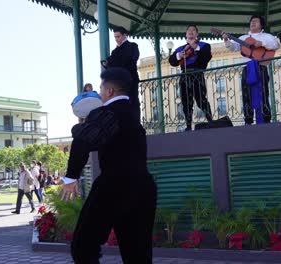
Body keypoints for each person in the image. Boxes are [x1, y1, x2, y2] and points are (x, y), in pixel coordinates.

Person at [62, 67, 157, 263]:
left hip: (114, 186)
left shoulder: (108, 113)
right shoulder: (132, 114)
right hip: (144, 187)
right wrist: (84, 125)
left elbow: (82, 141)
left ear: (109, 91)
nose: (100, 92)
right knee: (138, 254)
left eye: (100, 88)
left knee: (83, 245)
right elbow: (102, 137)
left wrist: (71, 177)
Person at [223, 15, 279, 125]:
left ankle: (265, 119)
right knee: (246, 94)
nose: (252, 23)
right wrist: (226, 40)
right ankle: (248, 119)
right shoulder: (244, 38)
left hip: (261, 67)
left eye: (256, 21)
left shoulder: (267, 36)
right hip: (247, 68)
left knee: (263, 92)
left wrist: (261, 43)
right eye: (251, 21)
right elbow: (234, 47)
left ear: (261, 24)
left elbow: (276, 45)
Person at [169, 25, 213, 131]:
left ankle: (211, 121)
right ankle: (188, 125)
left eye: (193, 30)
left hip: (197, 73)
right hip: (185, 75)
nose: (191, 32)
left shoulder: (204, 46)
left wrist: (196, 48)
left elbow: (205, 58)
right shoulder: (180, 49)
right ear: (186, 34)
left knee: (201, 99)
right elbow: (172, 61)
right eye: (189, 30)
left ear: (197, 34)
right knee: (186, 101)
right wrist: (179, 55)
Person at [101, 26, 141, 120]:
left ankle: (135, 124)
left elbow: (131, 61)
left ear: (124, 35)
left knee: (133, 102)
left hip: (130, 80)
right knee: (122, 104)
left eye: (118, 36)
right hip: (119, 82)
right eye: (115, 37)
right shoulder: (115, 51)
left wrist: (113, 63)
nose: (116, 39)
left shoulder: (132, 46)